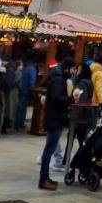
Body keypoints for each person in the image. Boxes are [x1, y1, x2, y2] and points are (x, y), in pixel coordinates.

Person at [39, 57, 74, 191]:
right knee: (49, 151)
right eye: (72, 69)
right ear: (66, 68)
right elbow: (57, 99)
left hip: (53, 118)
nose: (73, 72)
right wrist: (71, 99)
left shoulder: (57, 78)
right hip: (54, 119)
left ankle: (45, 178)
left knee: (49, 150)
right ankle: (43, 180)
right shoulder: (59, 80)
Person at [15, 57, 37, 131]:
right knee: (22, 108)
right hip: (26, 91)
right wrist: (32, 91)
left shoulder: (25, 68)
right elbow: (32, 81)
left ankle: (17, 123)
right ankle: (19, 123)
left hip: (22, 90)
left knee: (20, 108)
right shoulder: (32, 69)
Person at [2, 58, 20, 134]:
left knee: (8, 109)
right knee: (9, 109)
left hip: (8, 91)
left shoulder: (9, 70)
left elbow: (9, 82)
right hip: (10, 91)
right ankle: (6, 125)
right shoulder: (12, 70)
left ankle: (5, 125)